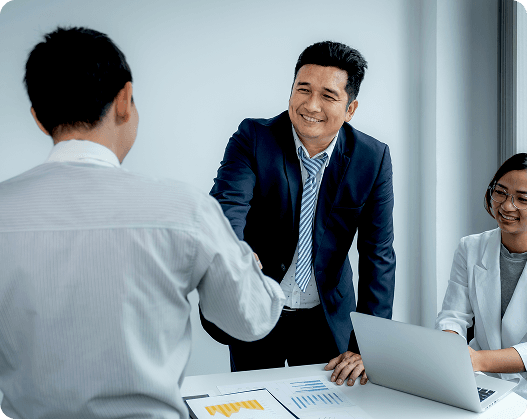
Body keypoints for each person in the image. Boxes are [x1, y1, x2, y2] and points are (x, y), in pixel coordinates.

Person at [0, 26, 285, 419]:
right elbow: (251, 320)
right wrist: (246, 262)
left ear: (38, 118)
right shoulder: (185, 209)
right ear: (125, 99)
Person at [200, 41, 396, 386]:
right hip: (259, 306)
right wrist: (234, 249)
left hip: (326, 317)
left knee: (330, 407)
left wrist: (368, 346)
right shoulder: (254, 138)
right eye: (303, 89)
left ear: (350, 109)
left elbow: (378, 254)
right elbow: (228, 204)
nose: (311, 105)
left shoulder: (372, 158)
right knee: (256, 404)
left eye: (328, 95)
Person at [436, 153, 527, 399]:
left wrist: (478, 360)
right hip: (482, 381)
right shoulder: (470, 247)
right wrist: (451, 350)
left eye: (522, 199)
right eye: (500, 192)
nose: (507, 206)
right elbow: (453, 316)